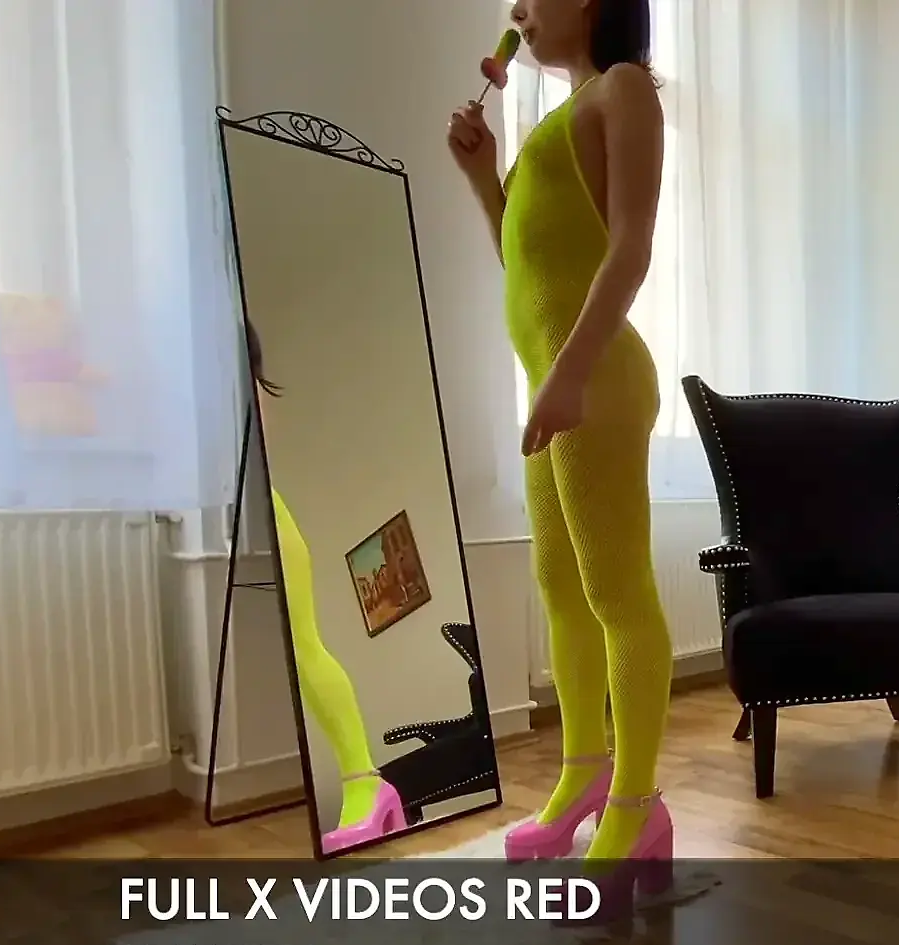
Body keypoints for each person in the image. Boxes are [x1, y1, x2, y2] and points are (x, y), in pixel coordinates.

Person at [446, 0, 675, 893]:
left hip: (597, 379)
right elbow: (532, 267)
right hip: (558, 382)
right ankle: (584, 774)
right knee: (561, 587)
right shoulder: (554, 120)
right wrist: (485, 180)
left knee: (617, 591)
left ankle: (638, 803)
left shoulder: (624, 90)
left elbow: (631, 249)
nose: (515, 11)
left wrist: (571, 374)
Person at [247, 323, 405, 852]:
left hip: (271, 515)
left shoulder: (229, 380)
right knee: (293, 654)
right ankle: (369, 790)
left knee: (303, 647)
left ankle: (366, 783)